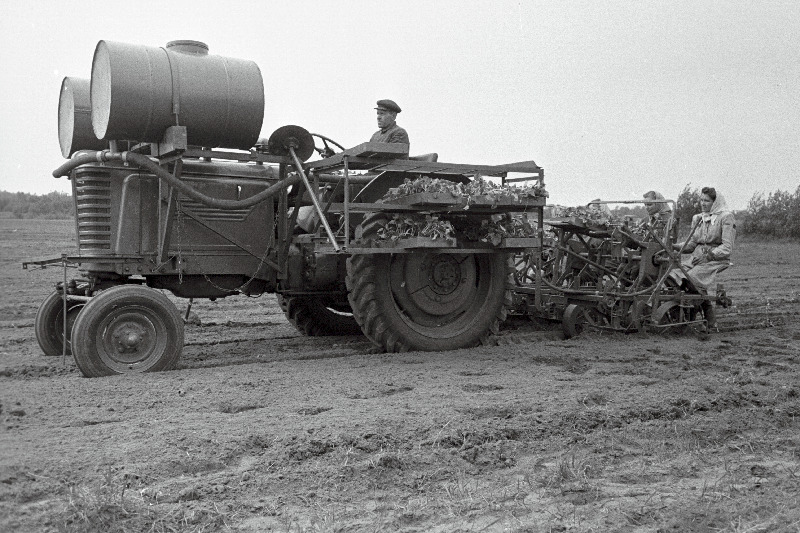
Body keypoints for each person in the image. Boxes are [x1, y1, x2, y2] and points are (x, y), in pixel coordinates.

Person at [672, 186, 736, 293]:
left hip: (716, 259)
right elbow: (692, 244)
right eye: (701, 200)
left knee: (690, 278)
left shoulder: (725, 217)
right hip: (696, 259)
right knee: (672, 275)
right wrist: (675, 246)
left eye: (706, 201)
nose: (702, 203)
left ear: (715, 202)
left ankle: (706, 306)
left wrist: (708, 256)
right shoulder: (698, 218)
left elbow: (727, 247)